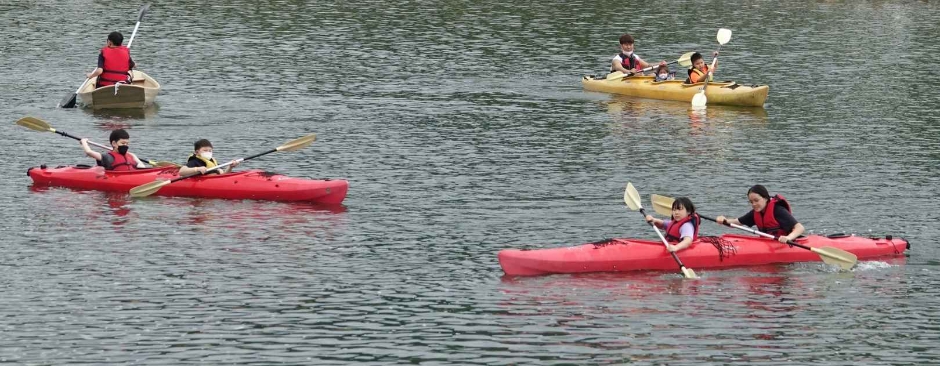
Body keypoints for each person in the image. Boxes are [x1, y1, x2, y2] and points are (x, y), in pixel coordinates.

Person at [715, 185, 806, 243]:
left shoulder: (778, 211)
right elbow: (736, 222)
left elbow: (800, 228)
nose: (754, 204)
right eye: (751, 202)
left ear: (766, 198)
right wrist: (724, 220)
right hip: (768, 244)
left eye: (756, 200)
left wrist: (788, 238)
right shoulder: (755, 213)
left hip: (785, 244)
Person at [80, 129, 147, 171]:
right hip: (117, 178)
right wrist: (84, 142)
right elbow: (89, 152)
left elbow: (142, 167)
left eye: (127, 143)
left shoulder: (131, 155)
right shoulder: (108, 157)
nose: (125, 145)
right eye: (123, 143)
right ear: (114, 143)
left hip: (133, 176)